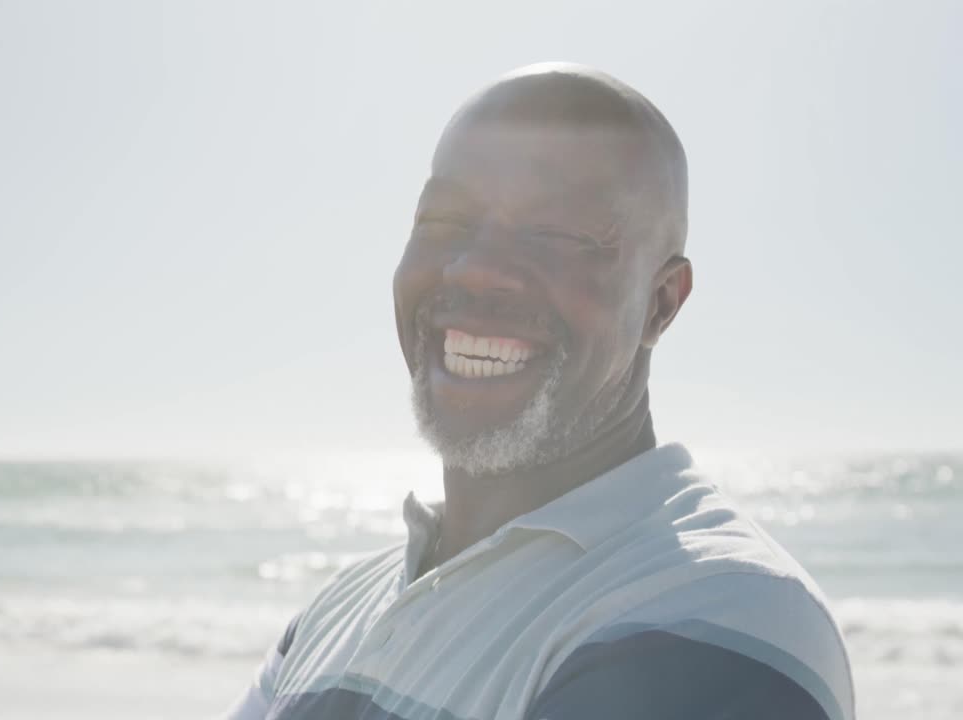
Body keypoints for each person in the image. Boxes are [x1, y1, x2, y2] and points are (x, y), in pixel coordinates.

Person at [222, 62, 854, 720]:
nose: (479, 269)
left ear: (661, 304)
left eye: (556, 233)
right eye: (443, 222)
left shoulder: (715, 617)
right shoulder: (338, 607)